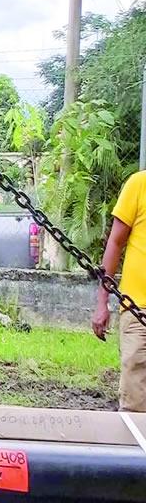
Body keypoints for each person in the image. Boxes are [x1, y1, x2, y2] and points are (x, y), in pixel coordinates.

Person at [92, 169, 146, 411]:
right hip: (138, 310)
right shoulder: (139, 184)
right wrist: (102, 301)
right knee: (135, 401)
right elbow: (115, 242)